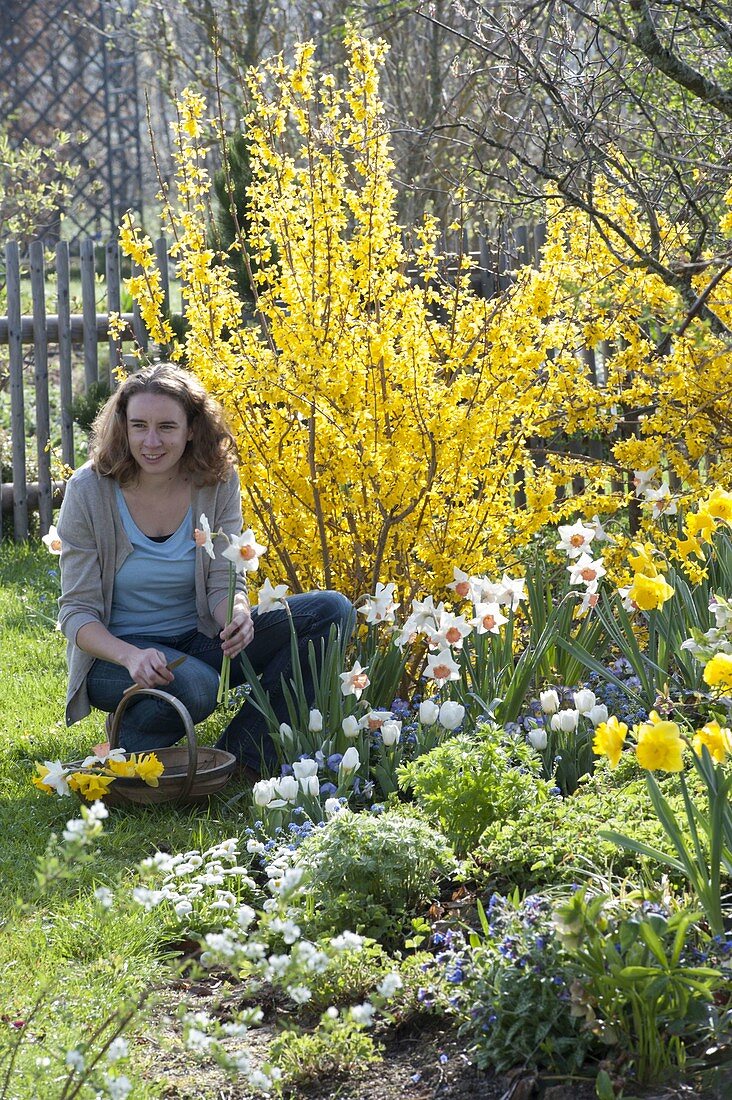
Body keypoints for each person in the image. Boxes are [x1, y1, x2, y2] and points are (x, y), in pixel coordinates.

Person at [56, 362, 353, 777]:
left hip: (198, 638)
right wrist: (132, 656)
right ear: (122, 426)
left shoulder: (216, 481)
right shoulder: (89, 490)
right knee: (197, 686)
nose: (151, 441)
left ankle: (241, 756)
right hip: (118, 658)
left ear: (192, 428)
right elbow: (76, 613)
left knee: (330, 611)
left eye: (167, 427)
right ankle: (134, 735)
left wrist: (236, 613)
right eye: (139, 425)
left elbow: (222, 579)